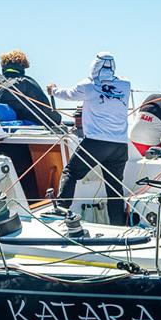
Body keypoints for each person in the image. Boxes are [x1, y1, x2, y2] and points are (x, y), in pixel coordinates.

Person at [47, 52, 130, 226]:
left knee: (71, 172)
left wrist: (53, 90)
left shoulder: (88, 85)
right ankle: (118, 225)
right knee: (114, 187)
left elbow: (68, 94)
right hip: (120, 145)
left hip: (96, 143)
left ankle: (61, 209)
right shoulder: (125, 85)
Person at [0, 50, 61, 126]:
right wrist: (57, 120)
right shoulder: (27, 82)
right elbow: (45, 108)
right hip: (26, 129)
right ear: (23, 66)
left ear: (4, 66)